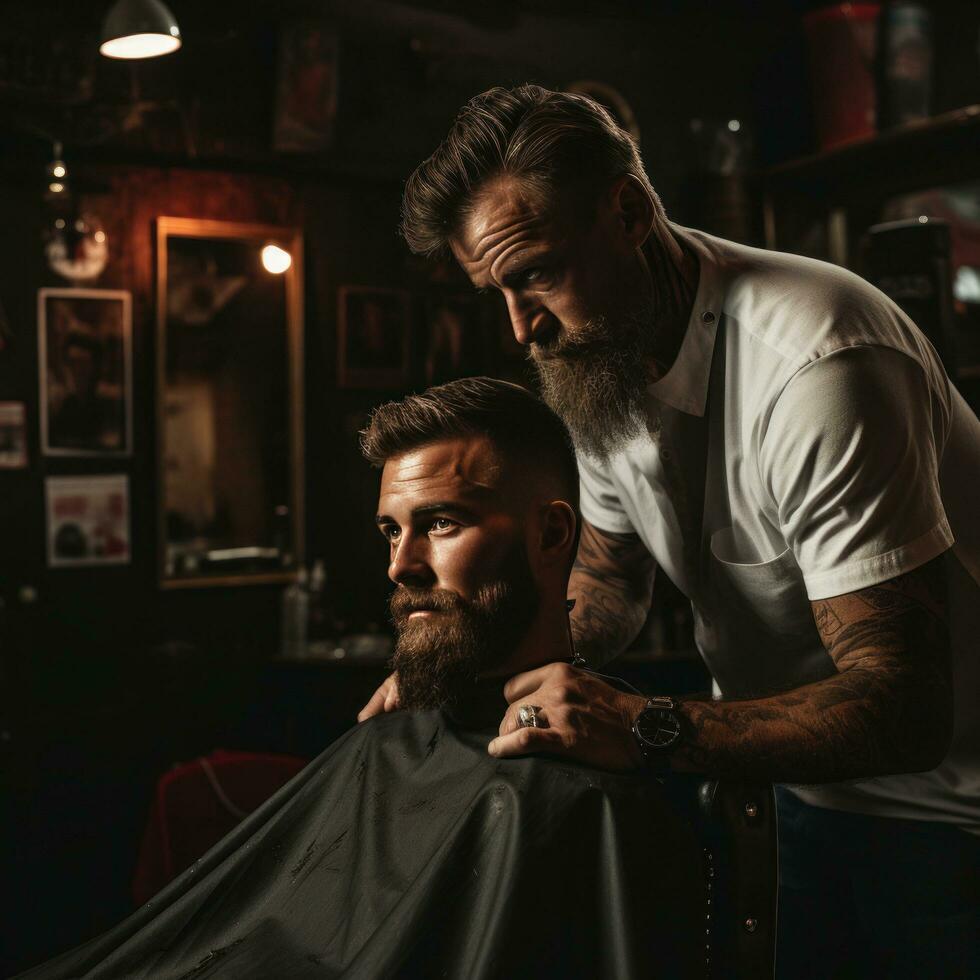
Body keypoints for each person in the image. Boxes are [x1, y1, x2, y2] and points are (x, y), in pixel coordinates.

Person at [359, 84, 980, 979]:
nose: (522, 327)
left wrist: (642, 724)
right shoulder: (597, 360)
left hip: (950, 818)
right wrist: (474, 665)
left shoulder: (817, 367)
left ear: (631, 210)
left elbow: (907, 709)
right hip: (797, 794)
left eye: (534, 272)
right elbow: (608, 579)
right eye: (496, 289)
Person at [18, 378, 707, 980]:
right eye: (389, 531)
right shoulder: (388, 738)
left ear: (554, 536)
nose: (399, 566)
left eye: (440, 523)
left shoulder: (600, 798)